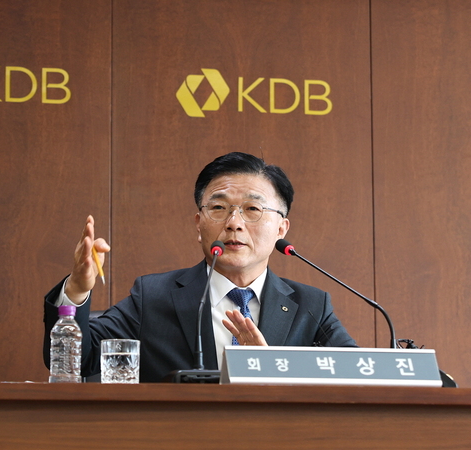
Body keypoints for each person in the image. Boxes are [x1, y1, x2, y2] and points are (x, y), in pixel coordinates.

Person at [42, 152, 357, 382]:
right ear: (199, 224)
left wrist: (273, 367)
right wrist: (76, 290)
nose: (234, 223)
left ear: (281, 228)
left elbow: (355, 376)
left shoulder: (311, 306)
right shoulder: (153, 296)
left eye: (252, 209)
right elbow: (78, 361)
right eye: (218, 207)